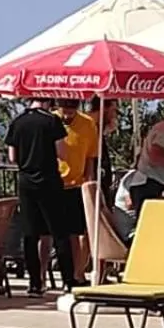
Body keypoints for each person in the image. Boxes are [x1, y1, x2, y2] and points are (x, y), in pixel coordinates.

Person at [5, 99, 74, 296]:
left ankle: (35, 282)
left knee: (30, 233)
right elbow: (62, 152)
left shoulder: (17, 122)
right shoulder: (52, 121)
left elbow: (12, 157)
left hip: (26, 181)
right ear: (48, 102)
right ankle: (68, 280)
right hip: (49, 180)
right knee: (59, 231)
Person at [55, 100, 98, 274]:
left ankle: (78, 273)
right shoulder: (52, 120)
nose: (67, 116)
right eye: (64, 111)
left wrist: (90, 183)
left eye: (71, 112)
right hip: (54, 183)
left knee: (79, 232)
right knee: (54, 234)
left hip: (77, 184)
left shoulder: (88, 124)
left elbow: (91, 157)